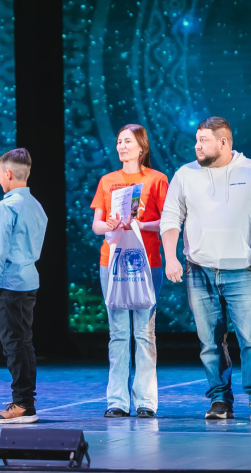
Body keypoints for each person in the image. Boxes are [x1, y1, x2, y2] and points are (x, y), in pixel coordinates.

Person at [161, 116, 251, 421]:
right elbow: (171, 217)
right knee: (210, 343)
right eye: (197, 140)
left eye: (203, 140)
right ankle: (219, 399)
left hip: (244, 270)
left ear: (224, 142)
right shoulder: (185, 174)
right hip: (199, 270)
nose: (197, 146)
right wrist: (170, 257)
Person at [90, 124, 169, 418]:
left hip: (147, 262)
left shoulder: (157, 179)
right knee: (119, 333)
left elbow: (167, 221)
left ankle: (146, 401)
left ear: (141, 147)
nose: (122, 146)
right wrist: (109, 225)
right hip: (112, 263)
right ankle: (117, 401)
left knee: (145, 333)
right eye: (119, 141)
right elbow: (97, 225)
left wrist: (140, 224)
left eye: (128, 142)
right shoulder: (107, 180)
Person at [0, 148, 47, 424]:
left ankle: (22, 404)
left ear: (8, 173)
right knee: (24, 343)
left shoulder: (6, 206)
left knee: (14, 345)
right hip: (27, 281)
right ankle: (26, 402)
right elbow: (22, 249)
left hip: (11, 285)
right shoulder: (36, 205)